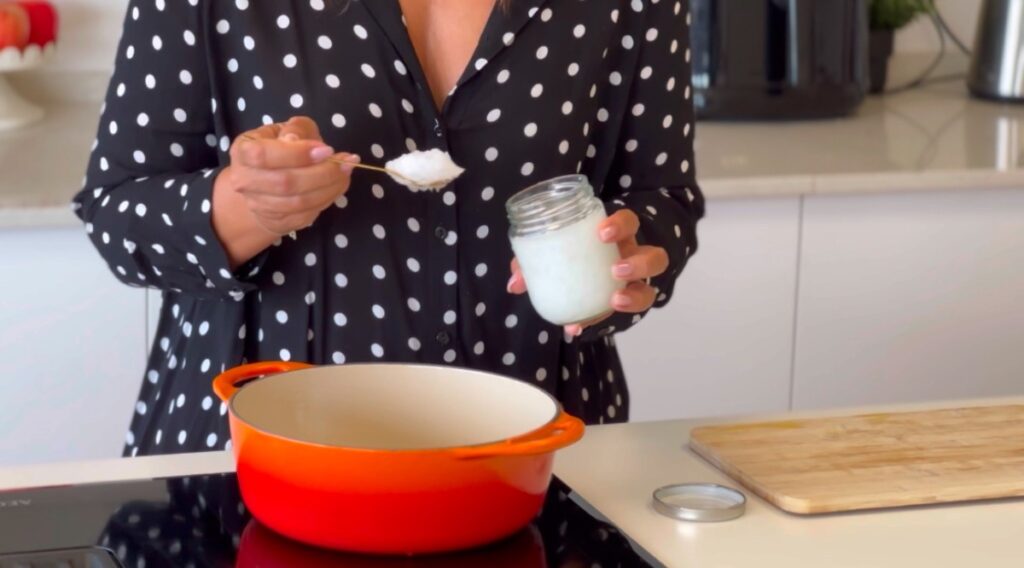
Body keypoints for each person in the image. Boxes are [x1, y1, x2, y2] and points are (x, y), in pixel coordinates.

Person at [73, 0, 704, 456]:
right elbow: (116, 209)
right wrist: (249, 205)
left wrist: (627, 260)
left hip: (536, 449)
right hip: (252, 456)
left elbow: (663, 198)